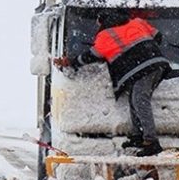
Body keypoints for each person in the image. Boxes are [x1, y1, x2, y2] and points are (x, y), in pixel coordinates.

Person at [54, 10, 170, 156]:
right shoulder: (137, 22)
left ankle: (151, 142)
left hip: (144, 68)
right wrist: (144, 48)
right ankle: (137, 136)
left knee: (140, 99)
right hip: (155, 63)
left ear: (102, 22)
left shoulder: (105, 35)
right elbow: (158, 36)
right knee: (134, 98)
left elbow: (92, 55)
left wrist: (71, 61)